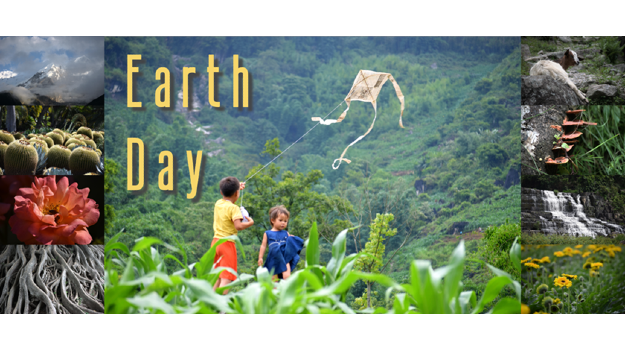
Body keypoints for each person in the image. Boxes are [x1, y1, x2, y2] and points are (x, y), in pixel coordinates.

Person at [212, 176, 254, 294]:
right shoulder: (234, 208)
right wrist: (250, 223)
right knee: (227, 278)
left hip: (216, 243)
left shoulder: (218, 203)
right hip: (227, 244)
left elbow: (229, 196)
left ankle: (209, 304)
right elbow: (238, 226)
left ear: (221, 192)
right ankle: (222, 309)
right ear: (237, 193)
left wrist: (237, 189)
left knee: (218, 277)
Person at [258, 205, 303, 281]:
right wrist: (260, 257)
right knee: (273, 280)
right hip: (273, 259)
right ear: (273, 220)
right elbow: (263, 246)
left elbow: (291, 244)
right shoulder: (267, 233)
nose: (283, 223)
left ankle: (286, 290)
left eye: (285, 221)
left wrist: (292, 238)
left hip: (284, 258)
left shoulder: (286, 233)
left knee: (287, 276)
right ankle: (275, 292)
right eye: (280, 220)